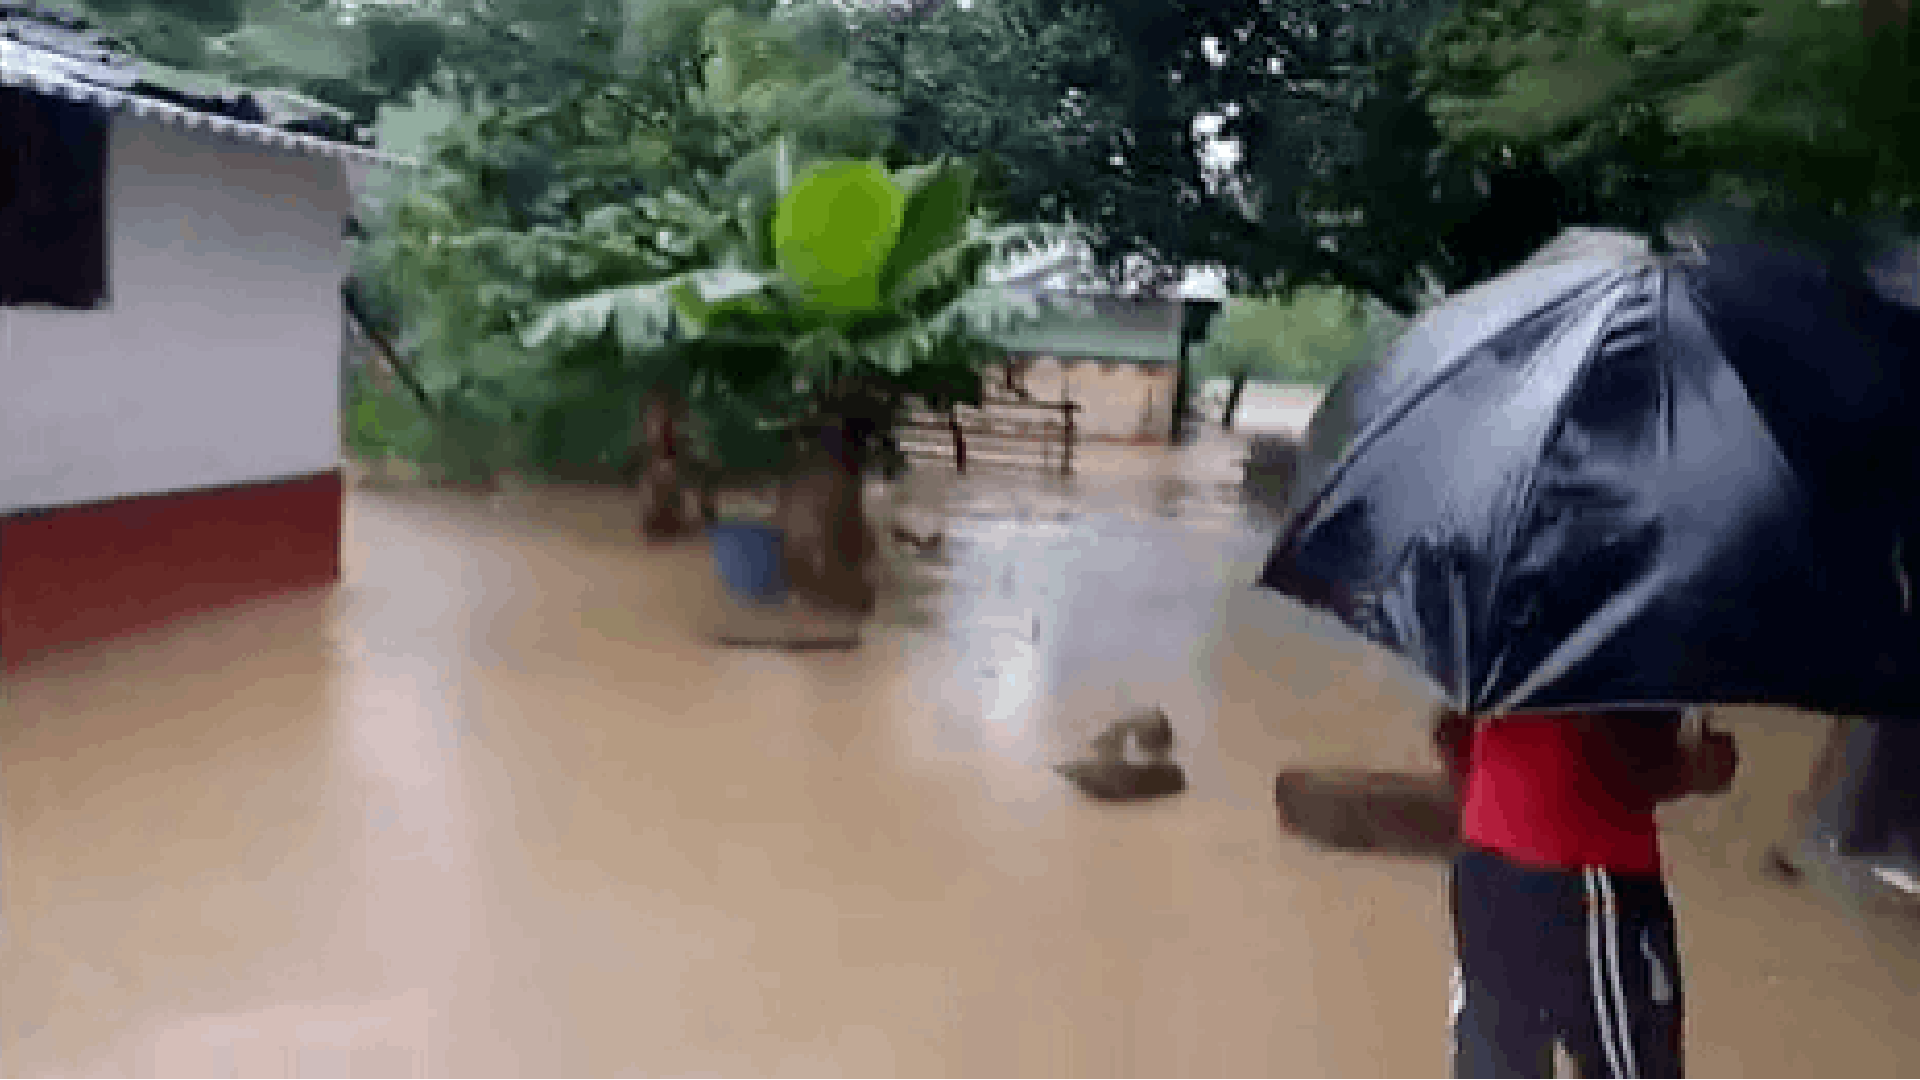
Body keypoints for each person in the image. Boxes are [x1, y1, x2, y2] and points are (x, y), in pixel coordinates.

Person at [1432, 707, 1739, 1079]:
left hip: (1487, 864)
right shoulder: (1619, 650)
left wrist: (1497, 794)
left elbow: (1450, 726)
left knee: (1498, 1056)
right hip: (1588, 870)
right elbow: (1620, 761)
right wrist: (1698, 769)